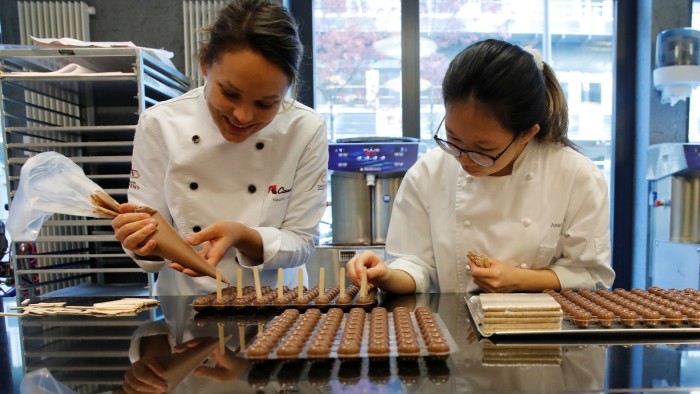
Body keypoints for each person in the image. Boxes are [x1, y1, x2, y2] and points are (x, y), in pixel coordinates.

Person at [346, 39, 615, 294]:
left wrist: (520, 279)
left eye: (484, 150)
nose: (464, 159)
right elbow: (414, 265)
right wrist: (386, 275)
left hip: (542, 335)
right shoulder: (429, 173)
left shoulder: (577, 176)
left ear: (527, 134)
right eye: (453, 139)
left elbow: (591, 275)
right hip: (452, 332)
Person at [111, 0, 328, 295]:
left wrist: (244, 236)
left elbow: (302, 242)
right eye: (230, 93)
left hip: (279, 303)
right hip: (187, 303)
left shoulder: (305, 128)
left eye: (266, 103)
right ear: (204, 63)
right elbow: (150, 242)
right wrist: (140, 241)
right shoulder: (160, 123)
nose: (243, 116)